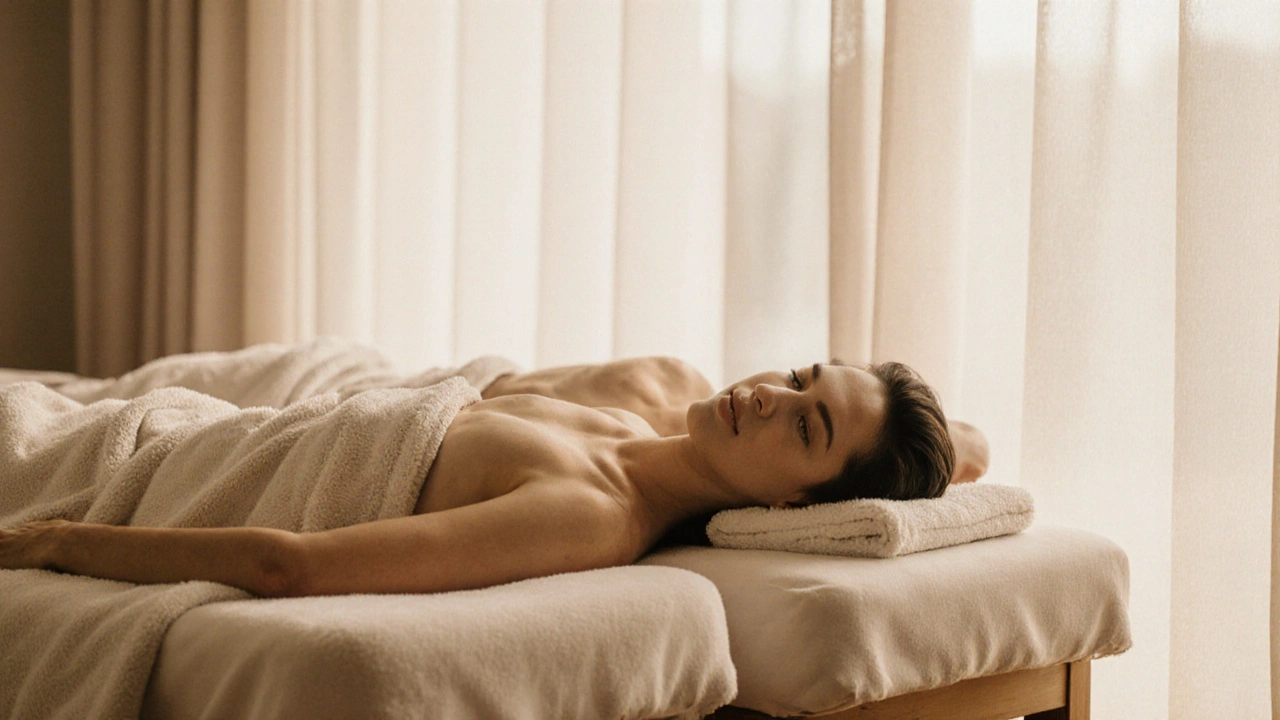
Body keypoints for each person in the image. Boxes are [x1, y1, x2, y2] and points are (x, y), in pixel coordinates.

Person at [0, 355, 986, 598]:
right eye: (800, 374)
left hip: (163, 474)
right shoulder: (651, 406)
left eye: (806, 423)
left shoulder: (592, 516)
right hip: (206, 417)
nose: (768, 393)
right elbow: (969, 448)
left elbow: (287, 566)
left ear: (791, 506)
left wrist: (50, 541)